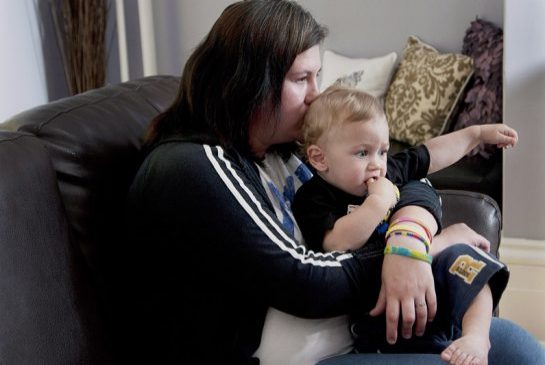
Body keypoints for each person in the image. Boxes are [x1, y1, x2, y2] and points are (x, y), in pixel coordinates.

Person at [123, 1, 545, 364]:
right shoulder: (193, 166)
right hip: (287, 351)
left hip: (347, 329)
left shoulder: (281, 147)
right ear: (250, 82)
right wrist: (429, 246)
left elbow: (401, 176)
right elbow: (306, 282)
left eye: (316, 76)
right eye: (301, 78)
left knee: (516, 348)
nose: (314, 95)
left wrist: (409, 239)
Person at [292, 85, 516, 364]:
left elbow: (429, 155)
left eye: (382, 151)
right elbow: (338, 243)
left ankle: (476, 337)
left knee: (468, 260)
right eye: (362, 153)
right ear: (319, 158)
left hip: (429, 281)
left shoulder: (388, 172)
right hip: (378, 310)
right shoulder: (313, 197)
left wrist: (476, 135)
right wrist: (377, 204)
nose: (377, 165)